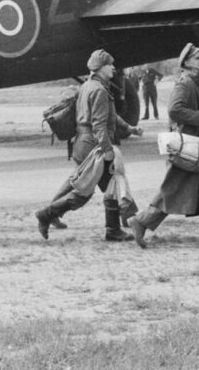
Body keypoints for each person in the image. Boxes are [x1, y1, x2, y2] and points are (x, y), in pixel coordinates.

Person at [130, 43, 199, 248]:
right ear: (186, 62)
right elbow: (174, 110)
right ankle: (141, 221)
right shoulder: (185, 83)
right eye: (197, 58)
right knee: (172, 190)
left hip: (195, 145)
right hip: (187, 147)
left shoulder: (194, 82)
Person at [35, 50, 142, 241]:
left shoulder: (87, 86)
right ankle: (47, 214)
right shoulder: (100, 91)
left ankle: (115, 227)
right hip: (94, 145)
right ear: (100, 68)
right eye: (110, 65)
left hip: (82, 143)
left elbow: (110, 115)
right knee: (84, 192)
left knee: (104, 185)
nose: (113, 68)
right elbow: (100, 125)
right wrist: (107, 150)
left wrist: (129, 128)